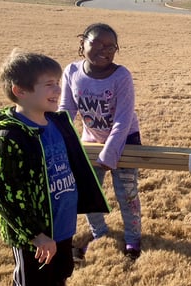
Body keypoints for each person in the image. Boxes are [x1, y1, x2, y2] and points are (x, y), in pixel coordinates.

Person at [0, 49, 110, 286]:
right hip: (36, 234)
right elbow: (4, 195)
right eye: (49, 84)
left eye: (59, 82)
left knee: (59, 275)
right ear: (20, 91)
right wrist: (36, 235)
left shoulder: (56, 122)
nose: (58, 89)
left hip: (62, 224)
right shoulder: (9, 137)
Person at [59, 23, 143, 260]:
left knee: (126, 193)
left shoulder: (121, 76)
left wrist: (111, 152)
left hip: (125, 142)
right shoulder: (72, 72)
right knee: (87, 193)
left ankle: (132, 239)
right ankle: (100, 233)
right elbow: (66, 109)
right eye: (97, 43)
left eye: (111, 46)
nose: (105, 50)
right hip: (91, 144)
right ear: (82, 43)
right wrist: (63, 142)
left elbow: (124, 117)